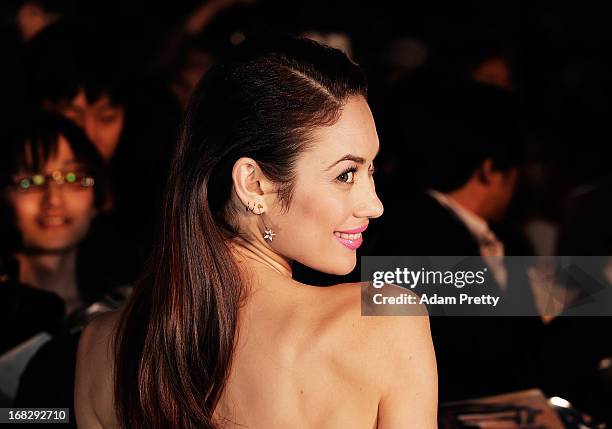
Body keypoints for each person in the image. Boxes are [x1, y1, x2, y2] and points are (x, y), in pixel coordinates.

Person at [75, 36, 437, 428]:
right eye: (345, 174)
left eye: (371, 170)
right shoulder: (386, 317)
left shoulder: (100, 347)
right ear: (254, 184)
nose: (374, 204)